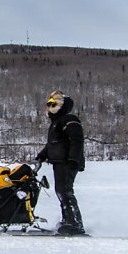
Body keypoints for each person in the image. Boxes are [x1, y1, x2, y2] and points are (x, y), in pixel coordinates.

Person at [36, 90, 86, 235]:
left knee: (65, 191)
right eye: (48, 104)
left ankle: (75, 224)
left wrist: (73, 160)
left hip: (67, 162)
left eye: (53, 104)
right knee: (61, 191)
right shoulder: (56, 123)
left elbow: (77, 141)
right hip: (59, 161)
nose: (49, 107)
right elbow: (53, 144)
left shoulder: (69, 119)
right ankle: (67, 220)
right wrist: (41, 156)